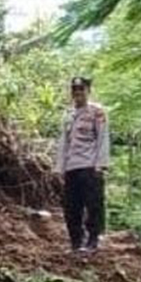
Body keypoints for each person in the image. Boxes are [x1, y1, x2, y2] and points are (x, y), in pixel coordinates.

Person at [54, 76, 111, 253]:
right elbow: (64, 142)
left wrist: (100, 165)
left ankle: (93, 241)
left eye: (82, 90)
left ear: (88, 91)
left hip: (90, 165)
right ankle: (76, 242)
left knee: (93, 204)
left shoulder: (97, 112)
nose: (78, 93)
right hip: (72, 166)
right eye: (75, 90)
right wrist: (60, 167)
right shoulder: (69, 115)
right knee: (72, 207)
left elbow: (103, 138)